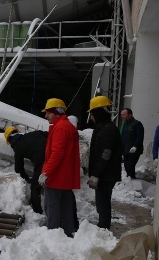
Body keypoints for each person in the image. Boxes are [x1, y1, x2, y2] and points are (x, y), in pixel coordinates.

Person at [38, 98, 80, 237]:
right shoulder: (69, 127)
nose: (46, 116)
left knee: (52, 207)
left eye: (48, 113)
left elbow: (57, 153)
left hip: (57, 177)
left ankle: (53, 235)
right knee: (66, 207)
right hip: (66, 177)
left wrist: (45, 172)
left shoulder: (60, 128)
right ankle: (68, 233)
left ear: (56, 112)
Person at [87, 96, 123, 230]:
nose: (91, 117)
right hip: (104, 173)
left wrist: (96, 174)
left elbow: (105, 154)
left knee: (103, 202)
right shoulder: (103, 128)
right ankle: (103, 226)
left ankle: (103, 228)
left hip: (106, 175)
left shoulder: (108, 129)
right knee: (101, 202)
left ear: (98, 112)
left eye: (92, 114)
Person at [4, 127, 47, 214]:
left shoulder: (18, 147)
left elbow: (18, 169)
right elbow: (49, 134)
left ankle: (37, 214)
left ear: (9, 140)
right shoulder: (34, 133)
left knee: (35, 188)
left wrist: (27, 179)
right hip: (56, 157)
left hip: (42, 164)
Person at [120, 108, 144, 179]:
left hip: (134, 150)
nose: (122, 116)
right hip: (126, 150)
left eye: (124, 115)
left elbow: (140, 137)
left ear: (130, 115)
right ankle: (129, 180)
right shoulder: (124, 124)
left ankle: (132, 180)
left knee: (130, 166)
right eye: (121, 115)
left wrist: (135, 146)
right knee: (126, 166)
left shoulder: (137, 124)